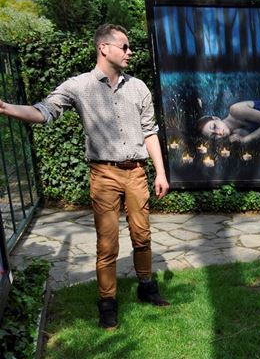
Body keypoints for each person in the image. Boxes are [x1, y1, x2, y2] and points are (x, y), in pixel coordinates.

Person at [0, 24, 169, 329]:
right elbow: (44, 112)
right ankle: (107, 303)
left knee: (142, 235)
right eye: (125, 46)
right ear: (104, 48)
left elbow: (150, 131)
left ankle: (147, 287)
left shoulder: (138, 87)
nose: (130, 52)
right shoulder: (79, 86)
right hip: (103, 175)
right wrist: (6, 108)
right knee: (107, 243)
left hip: (136, 173)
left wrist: (160, 172)